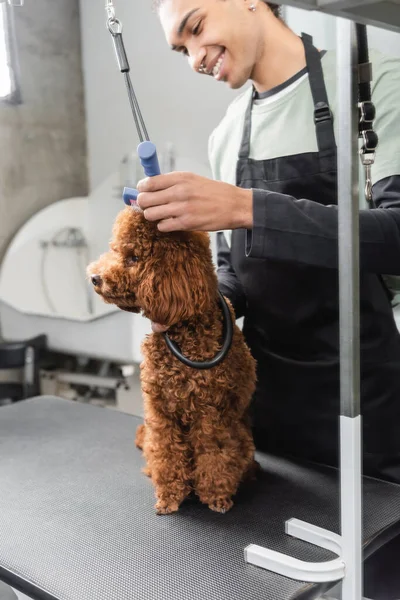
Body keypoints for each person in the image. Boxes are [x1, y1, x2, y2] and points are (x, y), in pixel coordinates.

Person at [136, 0, 400, 486]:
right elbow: (235, 271)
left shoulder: (373, 84)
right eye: (181, 50)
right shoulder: (227, 134)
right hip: (268, 399)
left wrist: (246, 207)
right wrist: (194, 307)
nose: (195, 57)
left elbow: (396, 235)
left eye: (196, 28)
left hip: (368, 398)